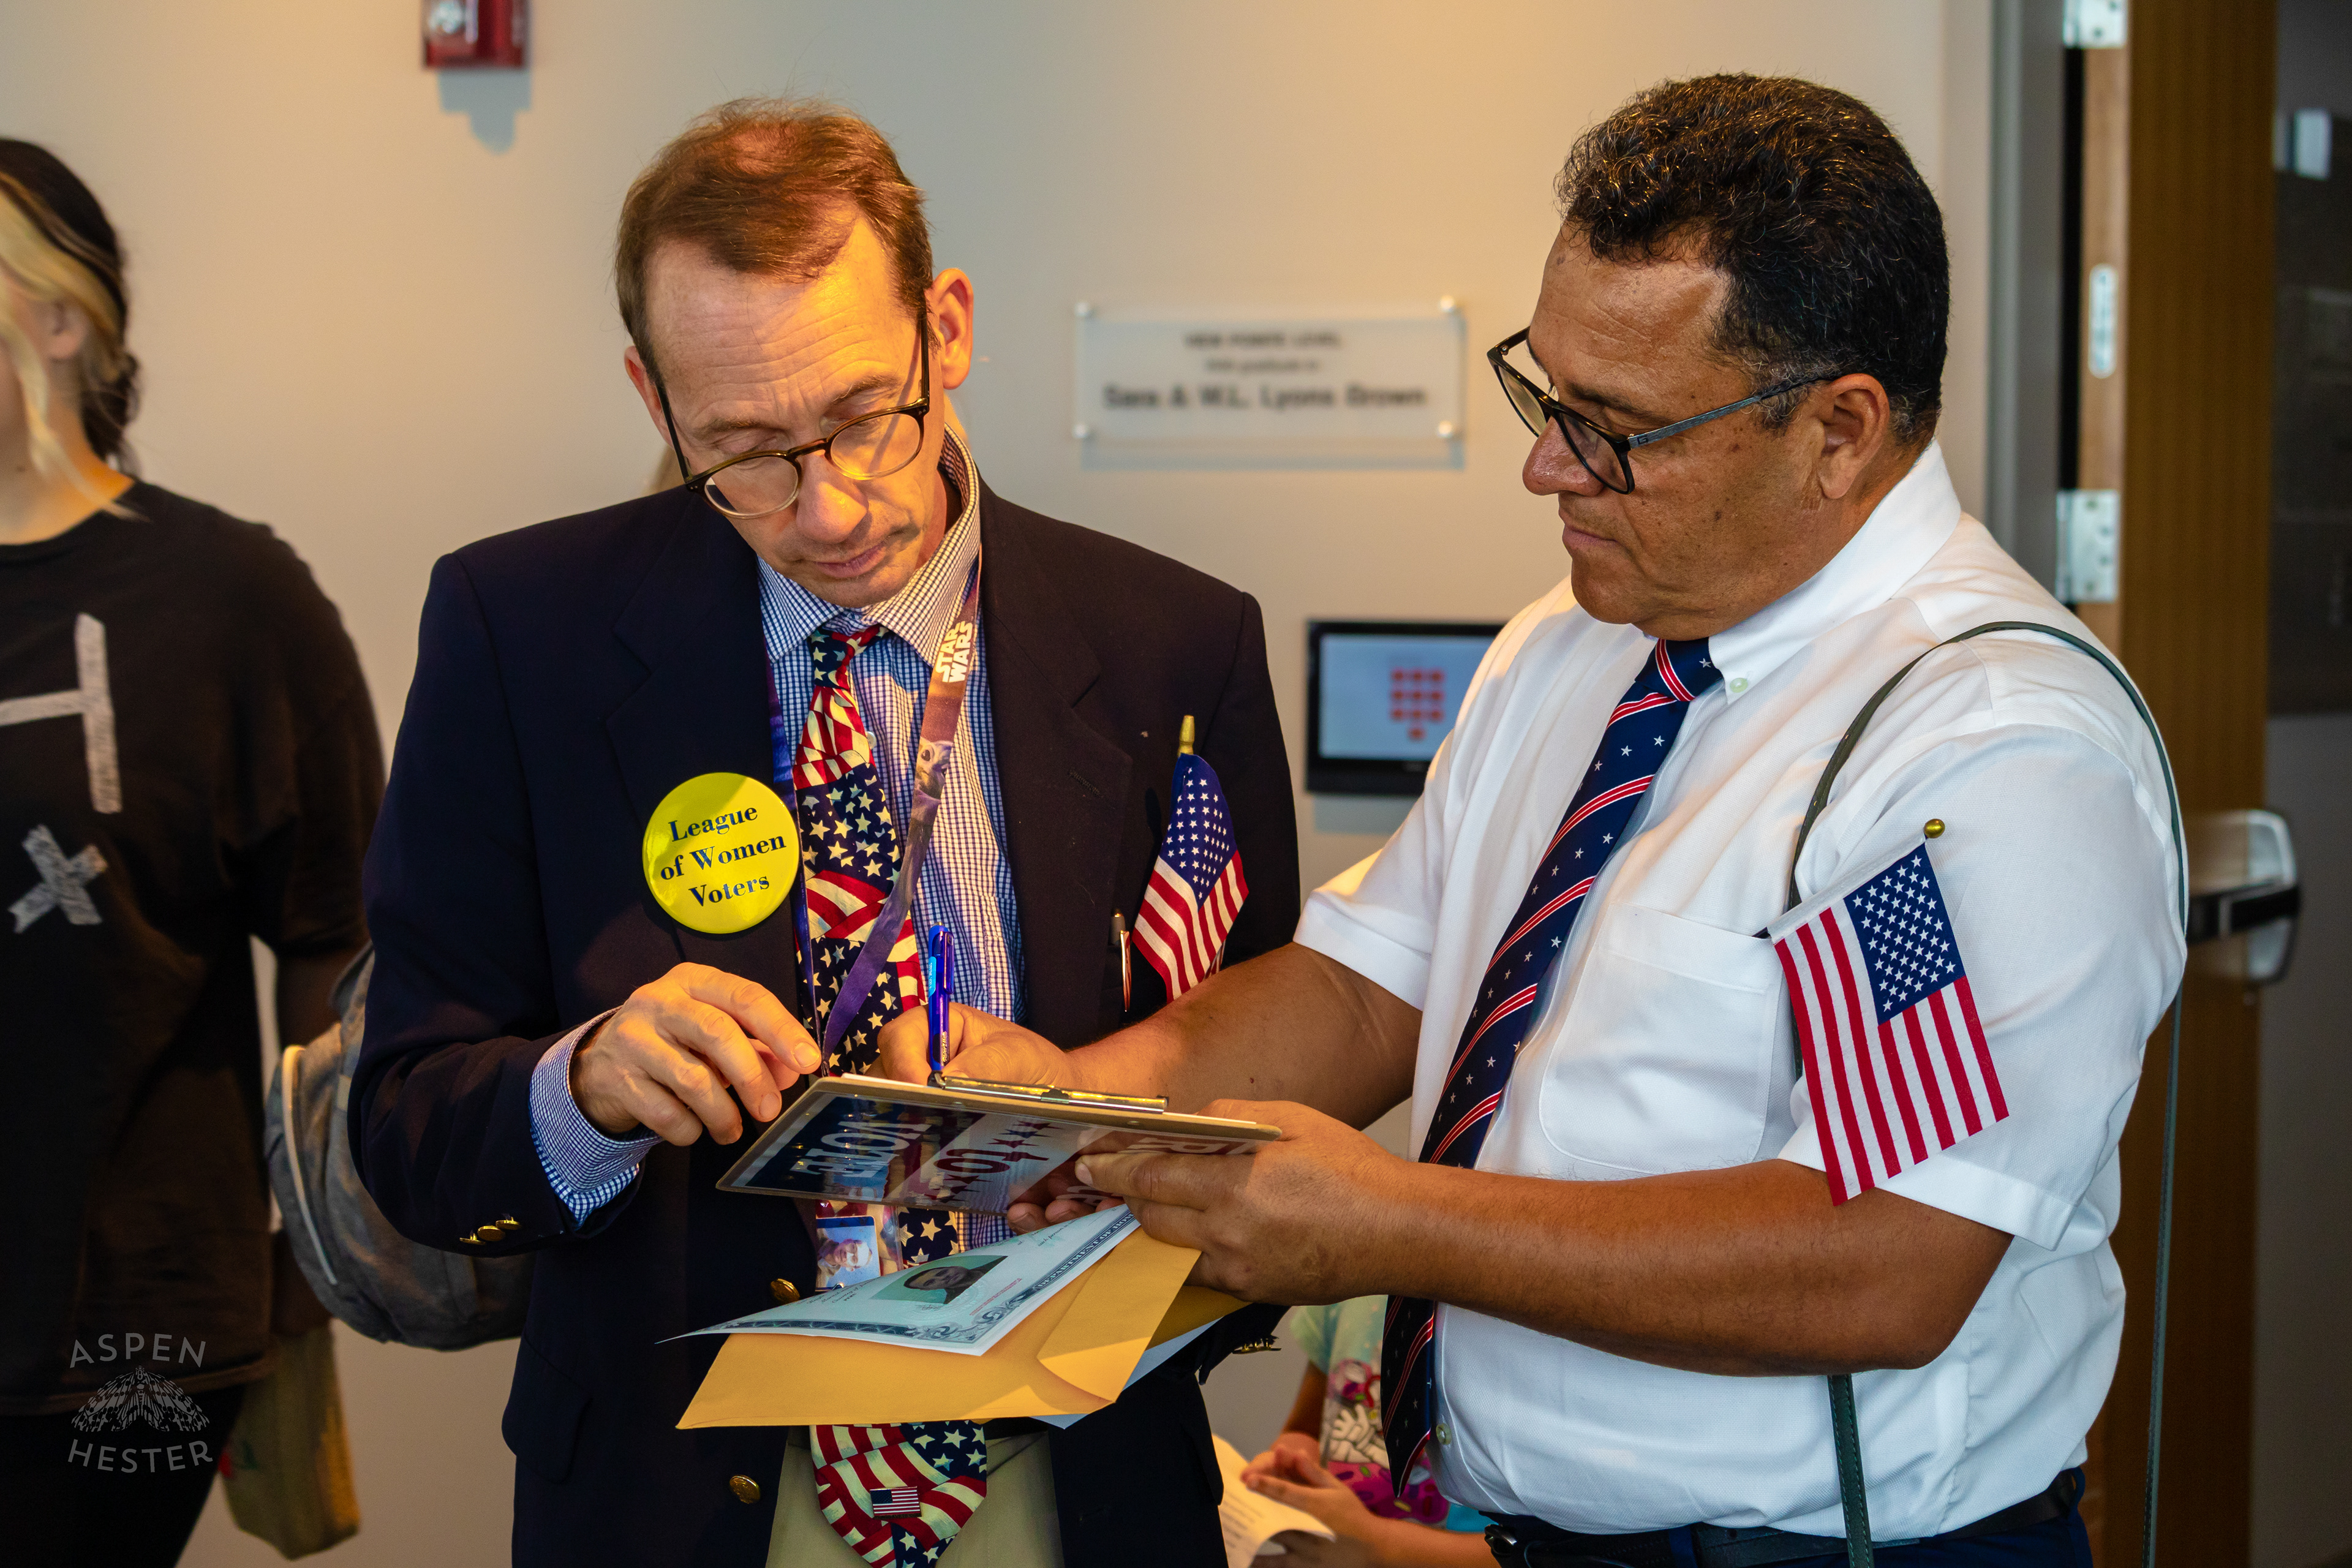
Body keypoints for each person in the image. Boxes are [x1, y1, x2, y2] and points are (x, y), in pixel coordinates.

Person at [883, 75, 2182, 1567]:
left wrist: (1385, 1224)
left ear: (1837, 430)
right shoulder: (1571, 645)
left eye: (1612, 428)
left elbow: (1882, 1258)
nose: (1544, 465)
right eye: (1542, 391)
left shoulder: (1974, 752)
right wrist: (1067, 1105)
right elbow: (1370, 983)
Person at [351, 100, 1297, 1568]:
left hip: (1075, 1469)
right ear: (651, 399)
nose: (829, 506)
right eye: (743, 450)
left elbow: (1267, 1061)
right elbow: (407, 1120)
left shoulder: (1175, 642)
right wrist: (580, 1084)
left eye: (866, 417)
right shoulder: (518, 634)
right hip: (680, 1489)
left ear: (949, 328)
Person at [0, 141, 380, 1566]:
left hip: (149, 1332)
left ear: (61, 317)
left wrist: (315, 1252)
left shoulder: (227, 600)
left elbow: (342, 936)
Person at [1239, 1298, 1492, 1567]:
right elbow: (1307, 1429)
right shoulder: (1343, 1287)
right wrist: (1289, 1467)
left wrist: (1376, 1547)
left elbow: (1536, 1550)